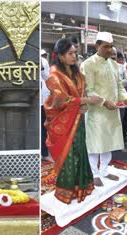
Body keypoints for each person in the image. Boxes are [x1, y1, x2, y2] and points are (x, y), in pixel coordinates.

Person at [44, 38, 103, 204]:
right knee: (69, 155)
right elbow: (61, 100)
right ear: (61, 56)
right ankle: (66, 190)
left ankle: (81, 186)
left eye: (75, 53)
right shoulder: (54, 75)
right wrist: (86, 100)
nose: (74, 56)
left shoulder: (76, 73)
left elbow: (77, 96)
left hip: (77, 119)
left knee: (80, 150)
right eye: (70, 53)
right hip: (63, 121)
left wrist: (83, 105)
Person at [81, 32, 127, 187]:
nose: (110, 50)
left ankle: (104, 170)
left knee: (109, 140)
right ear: (97, 46)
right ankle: (94, 172)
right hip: (96, 111)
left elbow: (119, 86)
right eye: (106, 47)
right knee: (95, 142)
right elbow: (89, 89)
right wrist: (104, 102)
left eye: (111, 46)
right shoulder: (88, 64)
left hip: (113, 109)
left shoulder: (114, 64)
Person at [112, 48, 127, 145]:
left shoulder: (121, 67)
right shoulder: (101, 67)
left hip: (120, 100)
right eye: (111, 54)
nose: (112, 56)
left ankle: (120, 144)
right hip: (107, 101)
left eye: (114, 54)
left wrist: (117, 84)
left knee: (121, 122)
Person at [41, 49, 52, 162]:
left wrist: (42, 68)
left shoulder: (43, 62)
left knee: (44, 127)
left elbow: (47, 78)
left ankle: (44, 153)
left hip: (43, 100)